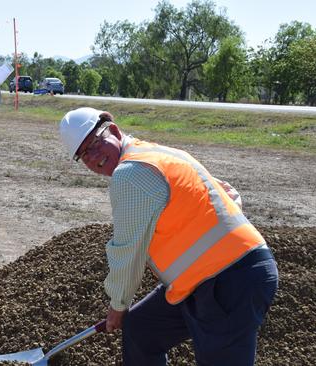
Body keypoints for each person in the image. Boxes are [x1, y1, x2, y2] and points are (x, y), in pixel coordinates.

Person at [58, 107, 278, 365]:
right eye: (84, 154)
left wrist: (118, 305)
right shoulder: (159, 153)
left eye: (95, 143)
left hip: (230, 280)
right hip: (203, 281)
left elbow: (127, 250)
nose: (93, 156)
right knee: (142, 329)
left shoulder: (129, 174)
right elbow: (228, 193)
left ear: (114, 131)